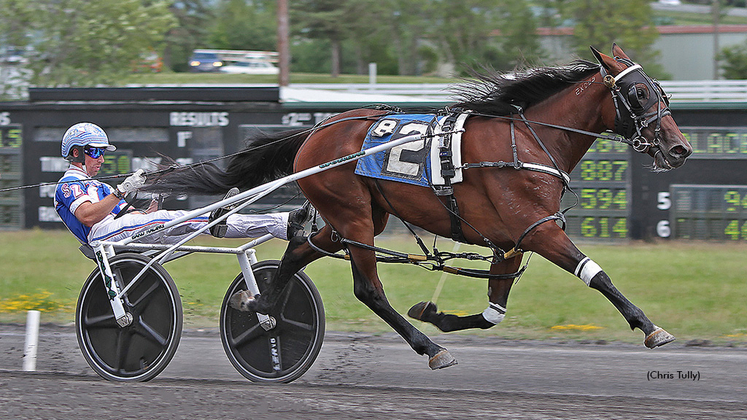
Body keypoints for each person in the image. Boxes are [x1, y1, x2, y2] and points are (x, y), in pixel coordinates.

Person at [54, 122, 310, 248]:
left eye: (102, 152)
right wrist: (122, 190)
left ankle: (282, 224)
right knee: (181, 219)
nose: (101, 158)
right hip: (101, 236)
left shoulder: (100, 187)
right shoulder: (68, 184)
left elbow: (137, 218)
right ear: (76, 153)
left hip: (122, 233)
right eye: (95, 152)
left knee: (193, 221)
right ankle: (215, 219)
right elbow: (87, 216)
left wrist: (156, 201)